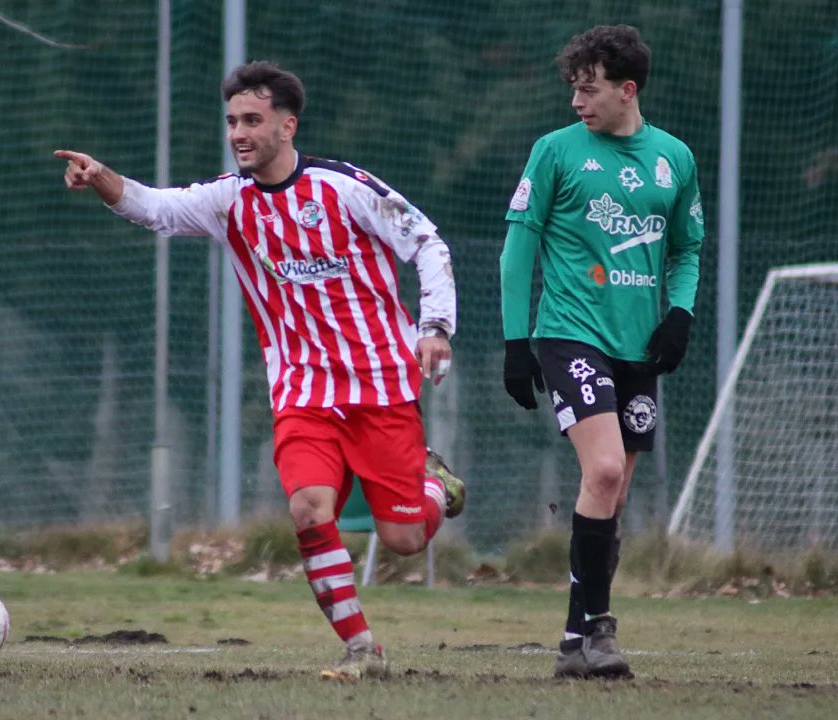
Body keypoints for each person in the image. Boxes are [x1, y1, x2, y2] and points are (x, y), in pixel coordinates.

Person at [55, 60, 464, 681]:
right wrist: (103, 177)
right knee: (308, 508)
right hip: (303, 392)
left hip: (381, 387)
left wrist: (434, 328)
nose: (238, 133)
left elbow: (427, 243)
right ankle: (361, 650)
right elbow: (158, 209)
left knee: (405, 541)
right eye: (231, 122)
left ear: (287, 125)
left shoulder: (345, 189)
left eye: (252, 120)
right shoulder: (229, 201)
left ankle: (434, 484)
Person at [499, 25, 704, 679]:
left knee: (606, 497)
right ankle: (602, 632)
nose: (576, 103)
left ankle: (572, 644)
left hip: (637, 349)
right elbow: (517, 249)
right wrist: (515, 341)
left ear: (627, 89)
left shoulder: (674, 158)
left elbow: (688, 249)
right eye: (573, 89)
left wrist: (680, 312)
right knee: (607, 471)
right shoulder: (555, 152)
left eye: (588, 90)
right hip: (569, 334)